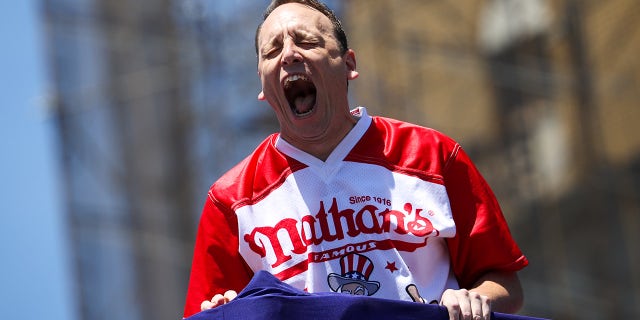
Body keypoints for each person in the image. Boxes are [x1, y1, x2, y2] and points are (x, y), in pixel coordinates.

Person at [183, 1, 529, 319]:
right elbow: (207, 311)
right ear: (262, 83)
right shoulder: (230, 201)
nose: (288, 54)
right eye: (272, 50)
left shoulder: (432, 155)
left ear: (349, 64)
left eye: (305, 41)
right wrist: (223, 311)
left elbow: (505, 283)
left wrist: (476, 299)